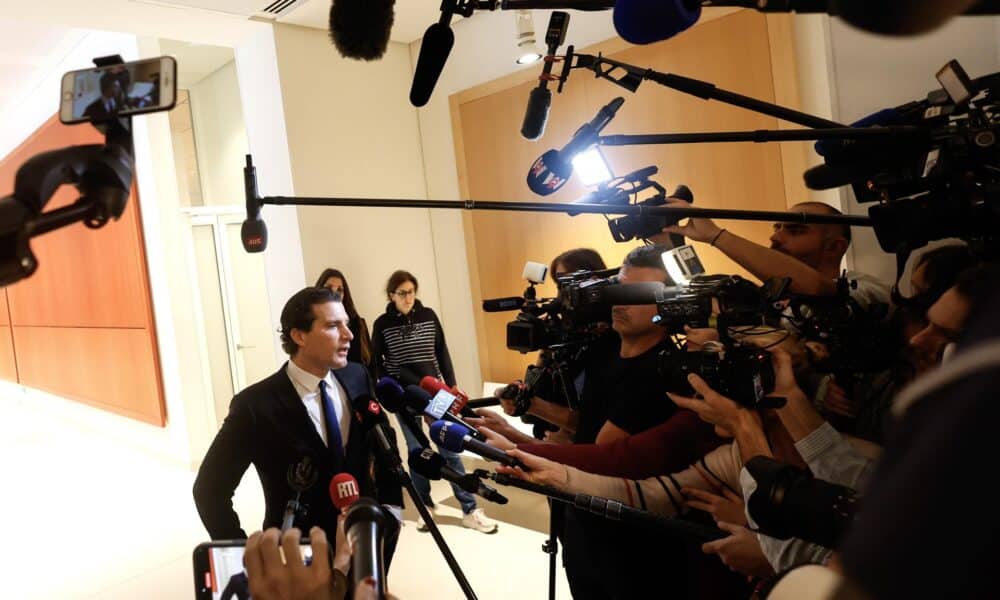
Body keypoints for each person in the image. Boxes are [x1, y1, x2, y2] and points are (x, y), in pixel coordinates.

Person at [193, 287, 404, 564]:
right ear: (299, 335)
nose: (348, 335)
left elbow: (384, 443)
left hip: (365, 543)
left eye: (347, 324)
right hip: (297, 557)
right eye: (332, 326)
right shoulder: (255, 406)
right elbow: (210, 490)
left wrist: (391, 513)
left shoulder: (357, 376)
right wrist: (244, 558)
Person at [371, 270, 497, 534]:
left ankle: (469, 509)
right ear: (391, 295)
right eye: (402, 293)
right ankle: (425, 506)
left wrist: (451, 384)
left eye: (412, 291)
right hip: (405, 397)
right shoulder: (382, 324)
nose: (408, 298)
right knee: (418, 451)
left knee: (449, 447)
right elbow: (377, 363)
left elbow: (442, 351)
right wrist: (389, 386)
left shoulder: (428, 316)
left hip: (436, 394)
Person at [316, 268, 375, 376]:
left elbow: (371, 364)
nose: (334, 293)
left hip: (357, 385)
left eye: (339, 290)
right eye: (328, 288)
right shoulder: (314, 325)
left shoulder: (358, 323)